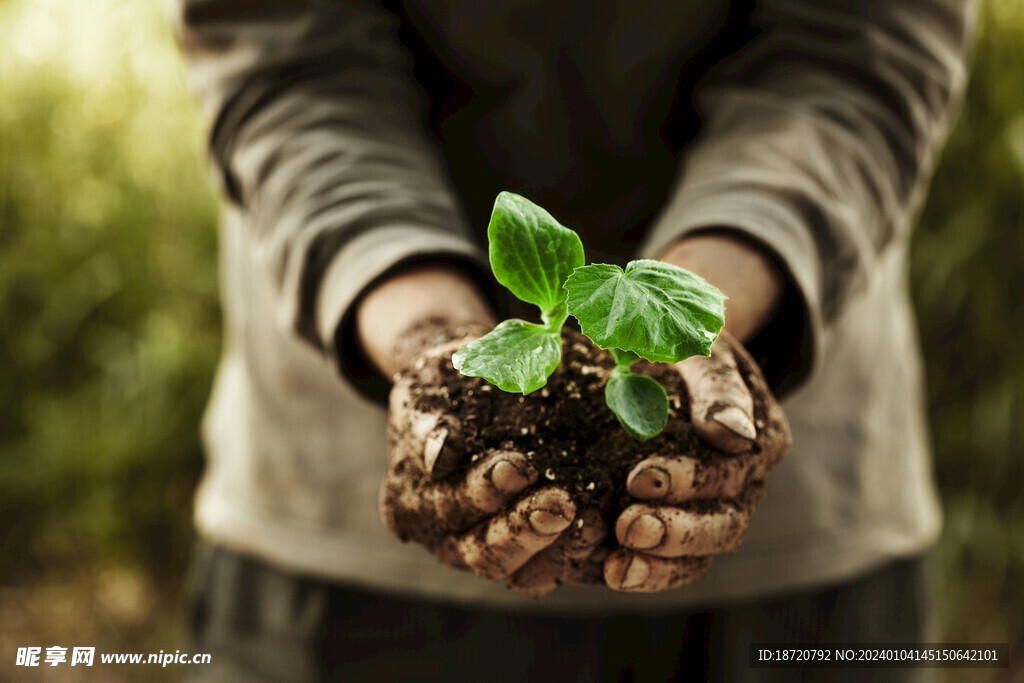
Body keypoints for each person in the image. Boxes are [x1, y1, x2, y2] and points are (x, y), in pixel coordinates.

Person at [173, 0, 977, 680]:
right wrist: (424, 332)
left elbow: (855, 50)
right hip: (336, 539)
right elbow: (287, 58)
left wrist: (706, 307)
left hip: (799, 557)